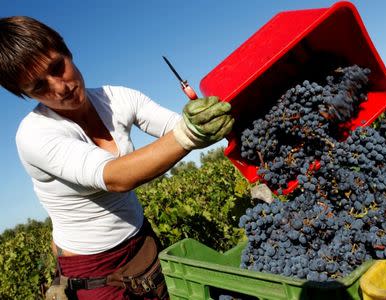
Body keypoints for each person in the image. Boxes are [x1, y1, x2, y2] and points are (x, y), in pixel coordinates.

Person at [0, 16, 234, 299]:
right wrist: (191, 133)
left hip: (143, 241)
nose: (59, 87)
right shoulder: (35, 134)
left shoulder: (118, 98)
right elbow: (114, 177)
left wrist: (208, 118)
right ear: (26, 94)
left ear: (67, 51)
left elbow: (175, 127)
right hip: (94, 271)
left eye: (57, 67)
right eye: (39, 87)